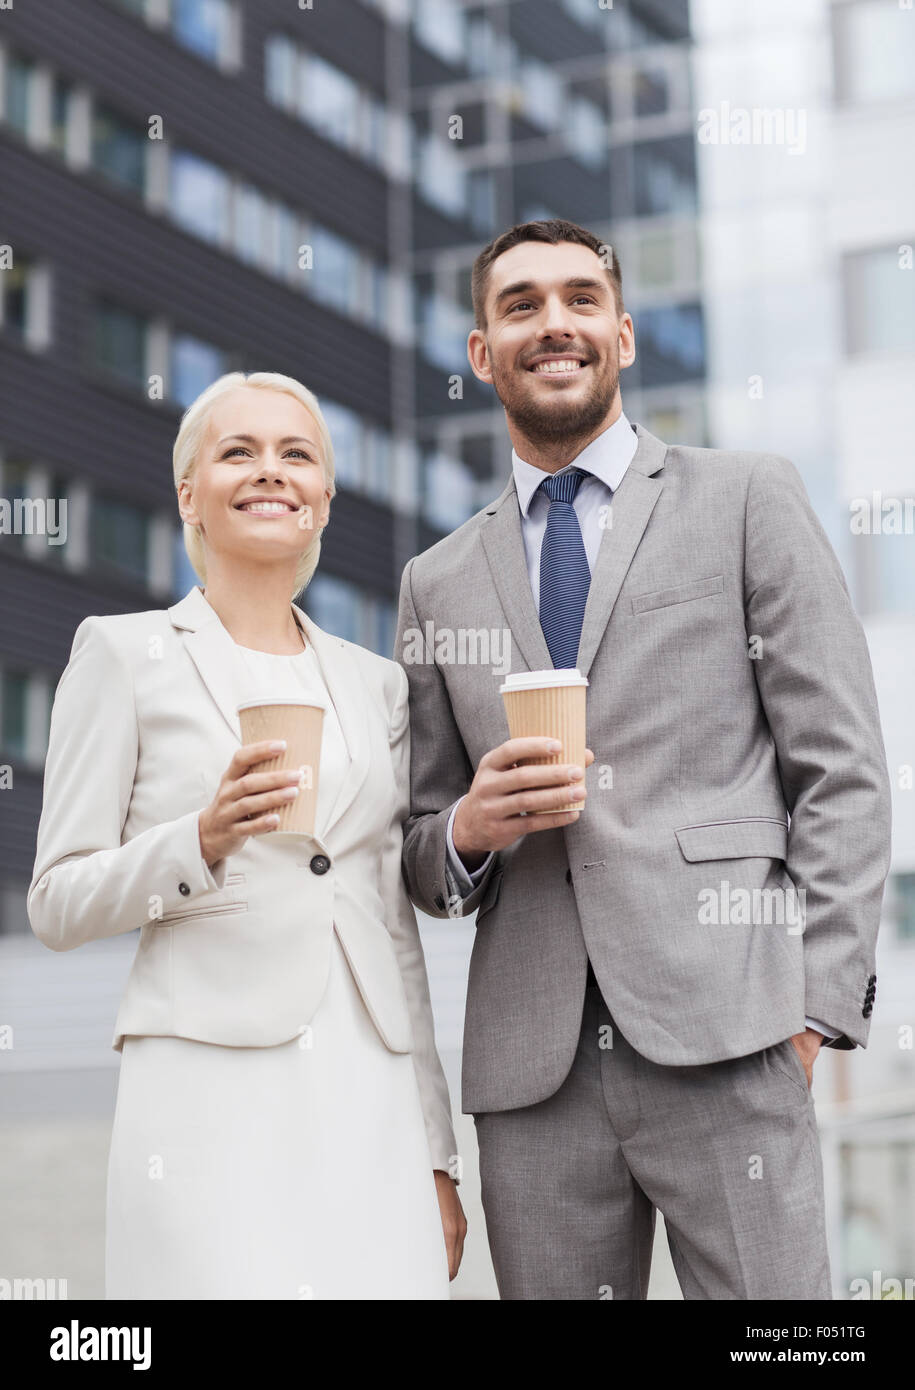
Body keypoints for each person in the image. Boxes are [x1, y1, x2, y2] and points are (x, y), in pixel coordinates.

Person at [395, 219, 891, 1300]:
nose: (553, 322)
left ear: (621, 332)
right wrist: (470, 829)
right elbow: (419, 851)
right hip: (533, 1077)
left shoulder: (747, 496)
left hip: (733, 1032)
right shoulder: (437, 582)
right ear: (483, 352)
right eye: (520, 304)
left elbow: (842, 767)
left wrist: (813, 1012)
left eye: (580, 298)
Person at [28, 371, 465, 1299]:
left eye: (296, 454)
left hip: (368, 1091)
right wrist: (201, 839)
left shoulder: (376, 683)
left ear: (323, 499)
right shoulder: (120, 654)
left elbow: (396, 930)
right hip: (206, 1088)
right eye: (239, 451)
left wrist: (437, 1152)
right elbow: (57, 902)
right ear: (189, 492)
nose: (271, 472)